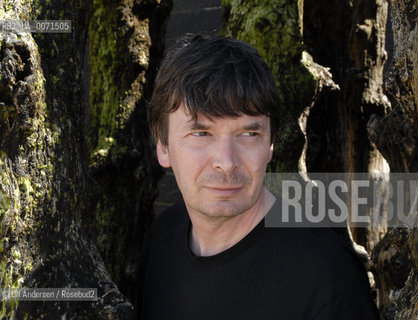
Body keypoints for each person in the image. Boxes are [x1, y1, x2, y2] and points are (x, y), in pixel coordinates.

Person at [137, 33, 380, 319]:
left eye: (249, 134)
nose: (226, 163)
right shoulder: (163, 239)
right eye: (201, 133)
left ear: (270, 145)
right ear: (163, 146)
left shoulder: (327, 279)